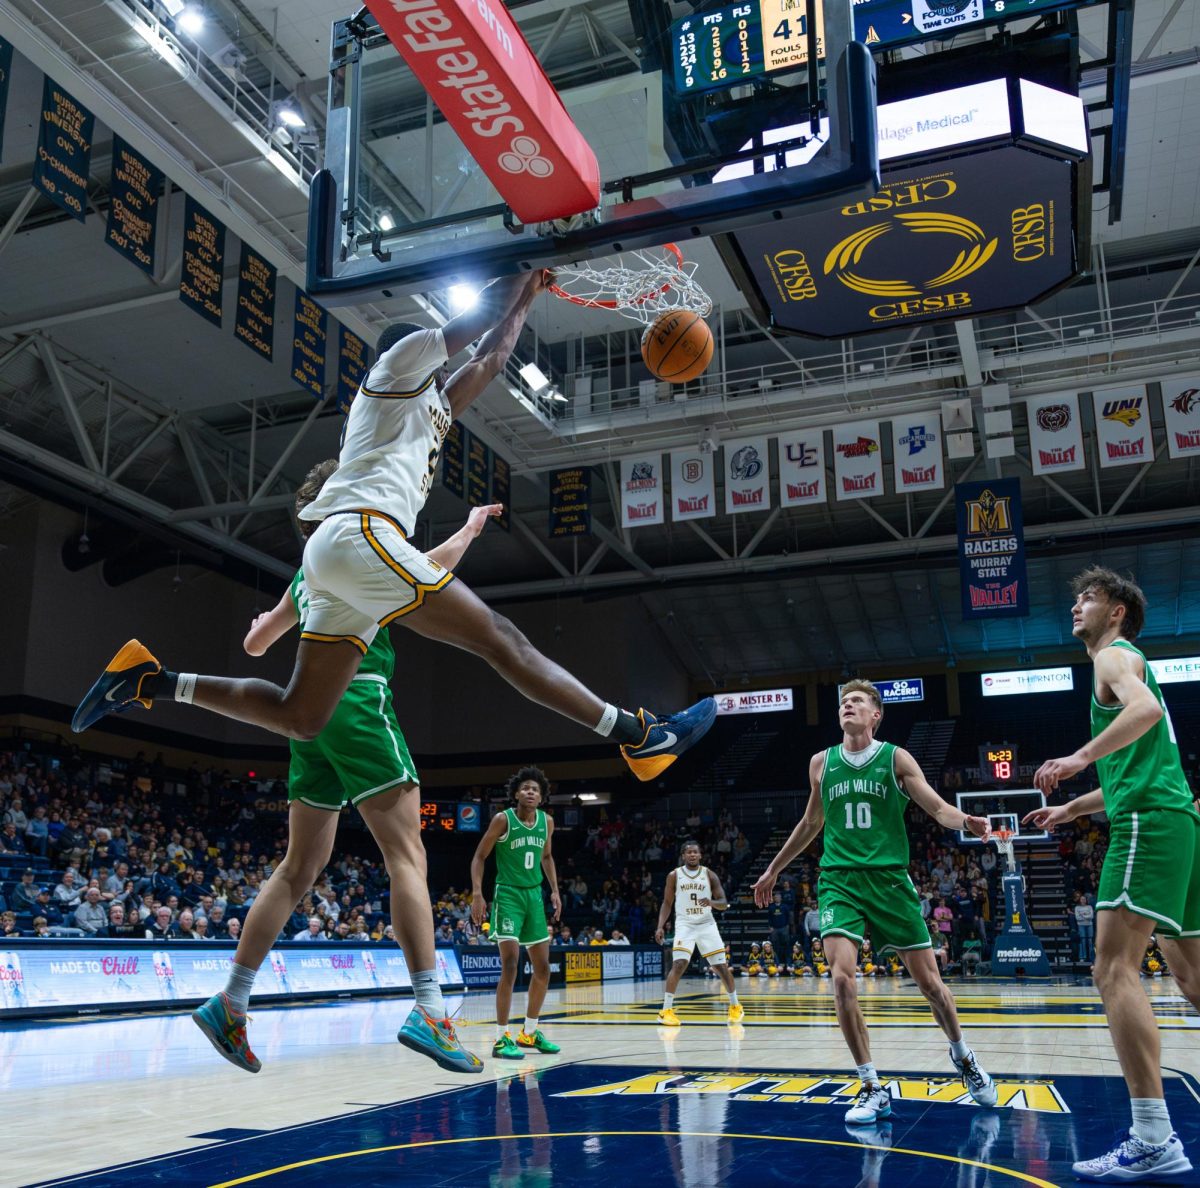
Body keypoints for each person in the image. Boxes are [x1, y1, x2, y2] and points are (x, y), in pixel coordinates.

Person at [72, 270, 715, 785]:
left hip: (339, 556)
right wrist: (519, 267)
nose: (440, 360)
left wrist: (533, 289)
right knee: (500, 639)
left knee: (302, 716)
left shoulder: (429, 409)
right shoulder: (393, 368)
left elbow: (492, 358)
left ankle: (148, 681)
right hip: (359, 536)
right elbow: (477, 323)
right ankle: (640, 738)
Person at [192, 495, 503, 1076]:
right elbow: (431, 568)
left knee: (298, 866)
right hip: (358, 697)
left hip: (305, 714)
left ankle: (231, 1001)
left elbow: (255, 647)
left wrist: (266, 623)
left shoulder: (306, 571)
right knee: (407, 856)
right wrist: (468, 531)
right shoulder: (364, 551)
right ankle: (431, 1012)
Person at [753, 679, 996, 1125]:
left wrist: (967, 821)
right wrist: (773, 868)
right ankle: (871, 1086)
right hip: (839, 881)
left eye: (858, 701)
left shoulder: (895, 758)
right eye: (844, 702)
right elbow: (811, 822)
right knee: (842, 980)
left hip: (888, 881)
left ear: (875, 714)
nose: (848, 706)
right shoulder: (821, 763)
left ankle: (964, 1057)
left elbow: (937, 808)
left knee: (933, 988)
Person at [1026, 567, 1199, 1181]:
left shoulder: (1113, 659)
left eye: (1089, 597)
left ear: (1118, 611)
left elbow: (1147, 712)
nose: (1076, 605)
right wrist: (1073, 806)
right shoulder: (1126, 661)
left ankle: (1153, 1136)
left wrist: (1076, 759)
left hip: (1149, 826)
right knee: (1192, 976)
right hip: (1177, 820)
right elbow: (1137, 766)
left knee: (1112, 968)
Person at [470, 766, 562, 1060]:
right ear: (516, 794)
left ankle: (530, 1032)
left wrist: (555, 890)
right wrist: (476, 893)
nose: (530, 792)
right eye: (525, 788)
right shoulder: (502, 819)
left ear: (542, 795)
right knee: (510, 964)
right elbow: (479, 856)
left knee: (543, 968)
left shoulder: (547, 822)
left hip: (534, 896)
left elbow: (546, 857)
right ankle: (500, 1038)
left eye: (535, 789)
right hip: (508, 894)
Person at [655, 840, 743, 1026]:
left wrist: (711, 902)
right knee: (678, 964)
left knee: (721, 967)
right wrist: (660, 926)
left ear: (701, 855)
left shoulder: (709, 874)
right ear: (683, 855)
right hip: (685, 924)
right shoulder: (674, 875)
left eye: (695, 852)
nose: (693, 855)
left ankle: (735, 1006)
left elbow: (724, 902)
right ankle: (666, 1010)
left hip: (706, 924)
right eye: (689, 852)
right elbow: (667, 903)